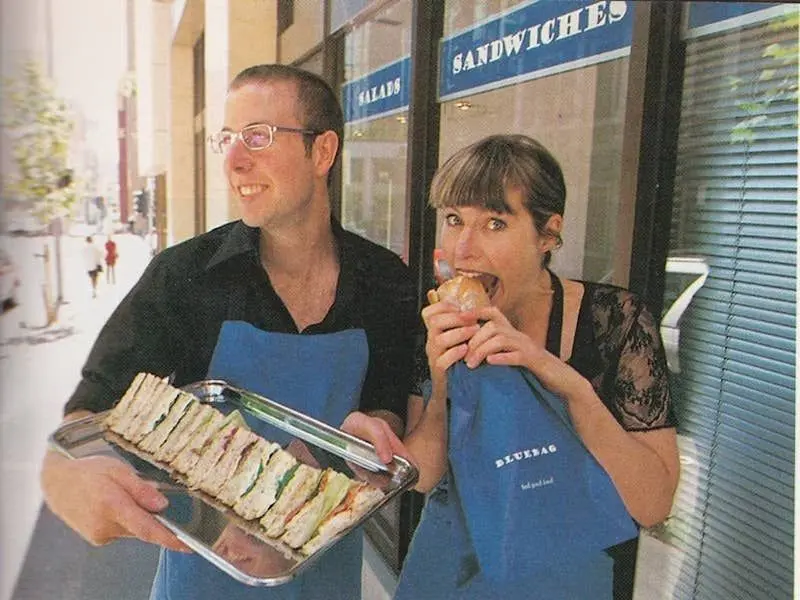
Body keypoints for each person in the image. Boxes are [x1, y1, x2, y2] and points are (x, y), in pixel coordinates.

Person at [40, 64, 418, 600]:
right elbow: (94, 406)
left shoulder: (385, 281)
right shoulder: (184, 276)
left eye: (258, 137)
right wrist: (76, 476)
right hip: (204, 579)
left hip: (326, 573)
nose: (234, 160)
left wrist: (360, 442)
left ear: (323, 152)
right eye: (227, 139)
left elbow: (385, 407)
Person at [348, 134, 680, 599]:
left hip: (562, 573)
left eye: (495, 224)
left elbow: (653, 503)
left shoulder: (614, 321)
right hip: (451, 568)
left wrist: (572, 388)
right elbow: (425, 474)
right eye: (454, 219)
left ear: (548, 234)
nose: (464, 247)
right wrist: (430, 394)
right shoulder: (441, 321)